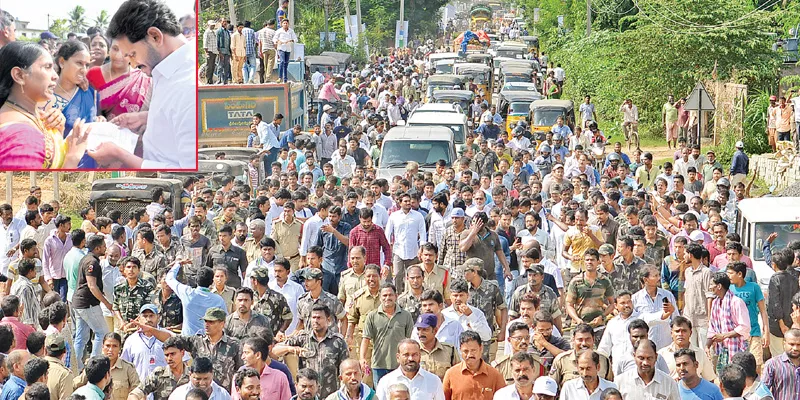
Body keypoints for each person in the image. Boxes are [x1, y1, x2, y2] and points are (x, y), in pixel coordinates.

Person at [89, 0, 197, 168]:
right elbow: (176, 116)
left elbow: (188, 171)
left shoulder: (188, 88)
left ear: (155, 36)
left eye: (132, 54)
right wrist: (146, 118)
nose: (132, 64)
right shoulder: (164, 69)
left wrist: (120, 155)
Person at [0, 42, 90, 169]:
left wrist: (58, 131)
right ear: (19, 75)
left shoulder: (34, 113)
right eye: (47, 67)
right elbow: (31, 188)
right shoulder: (21, 138)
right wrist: (72, 158)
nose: (55, 76)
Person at [86, 38, 151, 120]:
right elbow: (85, 106)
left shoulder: (144, 79)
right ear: (109, 50)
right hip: (100, 130)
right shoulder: (93, 73)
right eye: (115, 49)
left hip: (134, 132)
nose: (119, 55)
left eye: (125, 51)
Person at [707, 272, 750, 376]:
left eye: (712, 284)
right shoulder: (716, 303)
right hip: (722, 350)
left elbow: (744, 327)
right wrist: (707, 346)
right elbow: (712, 327)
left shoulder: (736, 302)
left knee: (737, 377)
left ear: (719, 286)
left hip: (737, 349)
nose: (710, 287)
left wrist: (724, 336)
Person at [443, 331, 505, 400]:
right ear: (460, 350)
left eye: (473, 350)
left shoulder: (494, 375)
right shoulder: (451, 374)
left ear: (481, 349)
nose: (469, 355)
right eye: (466, 351)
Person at [375, 339, 444, 400]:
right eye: (406, 355)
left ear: (420, 356)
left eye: (414, 355)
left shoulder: (433, 381)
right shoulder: (386, 382)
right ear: (398, 357)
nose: (410, 359)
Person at [614, 340, 679, 400]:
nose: (645, 363)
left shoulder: (669, 383)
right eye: (641, 358)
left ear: (656, 357)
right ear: (634, 356)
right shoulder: (620, 382)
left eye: (649, 358)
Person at [762, 328, 800, 400]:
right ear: (784, 343)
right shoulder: (773, 364)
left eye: (799, 345)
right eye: (792, 344)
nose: (795, 348)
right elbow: (763, 390)